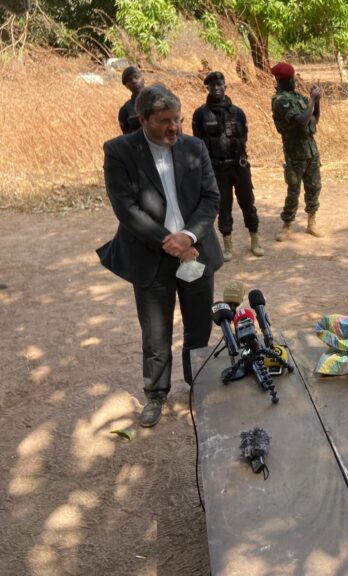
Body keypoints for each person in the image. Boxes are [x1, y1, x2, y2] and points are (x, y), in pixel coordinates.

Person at [97, 84, 223, 428]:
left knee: (199, 326)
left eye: (178, 120)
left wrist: (190, 236)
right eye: (165, 121)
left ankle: (197, 385)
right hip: (151, 256)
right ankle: (155, 394)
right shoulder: (120, 152)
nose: (174, 128)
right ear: (143, 119)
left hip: (195, 251)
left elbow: (211, 198)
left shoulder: (195, 147)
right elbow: (127, 209)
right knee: (155, 332)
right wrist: (171, 241)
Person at [192, 71, 262, 261]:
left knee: (248, 202)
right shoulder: (200, 114)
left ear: (225, 86)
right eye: (212, 85)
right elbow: (198, 142)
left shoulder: (237, 112)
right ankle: (228, 244)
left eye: (220, 84)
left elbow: (244, 135)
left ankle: (255, 239)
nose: (216, 88)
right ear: (207, 88)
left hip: (239, 165)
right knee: (223, 206)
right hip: (216, 168)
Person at [270, 62, 323, 241]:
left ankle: (312, 222)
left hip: (310, 150)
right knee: (293, 189)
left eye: (292, 78)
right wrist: (312, 100)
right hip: (295, 152)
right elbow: (300, 120)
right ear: (279, 81)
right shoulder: (280, 101)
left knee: (314, 187)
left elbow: (313, 119)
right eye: (288, 80)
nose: (293, 81)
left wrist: (317, 103)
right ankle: (286, 225)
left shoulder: (298, 98)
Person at [118, 66, 144, 134]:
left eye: (136, 77)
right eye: (129, 80)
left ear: (143, 78)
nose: (134, 81)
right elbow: (127, 137)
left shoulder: (159, 98)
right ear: (126, 86)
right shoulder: (125, 110)